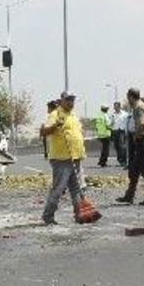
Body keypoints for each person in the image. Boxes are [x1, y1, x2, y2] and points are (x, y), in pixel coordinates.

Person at [40, 93, 86, 225]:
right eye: (68, 100)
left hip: (75, 158)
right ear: (61, 101)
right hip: (61, 159)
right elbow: (44, 132)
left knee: (77, 189)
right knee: (58, 189)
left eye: (73, 100)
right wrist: (55, 126)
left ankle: (80, 215)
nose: (71, 103)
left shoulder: (73, 116)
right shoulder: (55, 114)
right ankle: (48, 216)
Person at [116, 89, 144, 206]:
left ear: (130, 96)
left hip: (143, 140)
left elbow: (141, 123)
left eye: (128, 97)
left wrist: (137, 134)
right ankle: (129, 195)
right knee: (134, 169)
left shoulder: (138, 107)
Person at [109, 101, 129, 166]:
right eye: (114, 107)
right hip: (115, 131)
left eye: (117, 106)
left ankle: (123, 161)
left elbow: (127, 123)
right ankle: (120, 160)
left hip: (122, 131)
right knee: (117, 146)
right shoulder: (113, 115)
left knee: (122, 146)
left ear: (120, 107)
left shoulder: (125, 114)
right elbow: (111, 123)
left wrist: (127, 131)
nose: (115, 108)